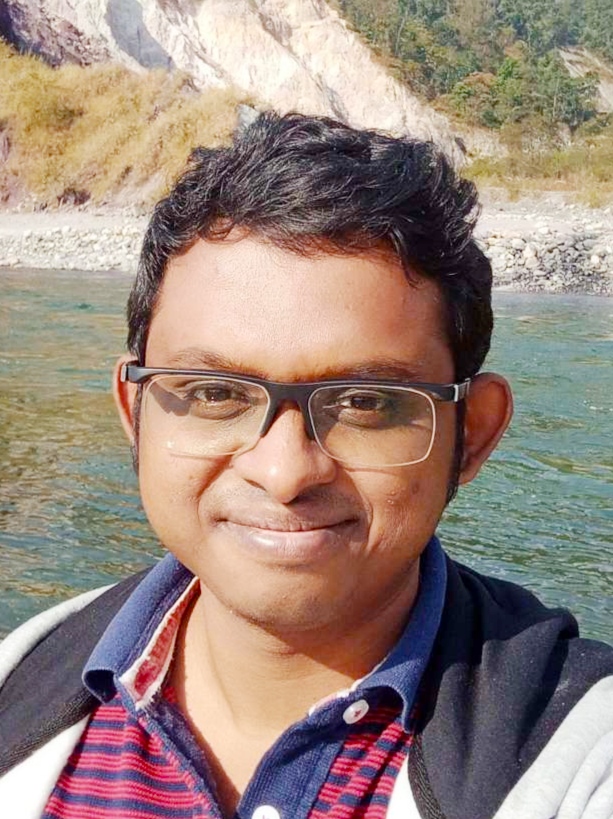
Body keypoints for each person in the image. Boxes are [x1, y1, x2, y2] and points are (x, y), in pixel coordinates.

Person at [0, 112, 611, 819]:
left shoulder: (577, 751)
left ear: (471, 433)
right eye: (214, 394)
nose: (284, 473)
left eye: (365, 402)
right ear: (136, 413)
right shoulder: (23, 681)